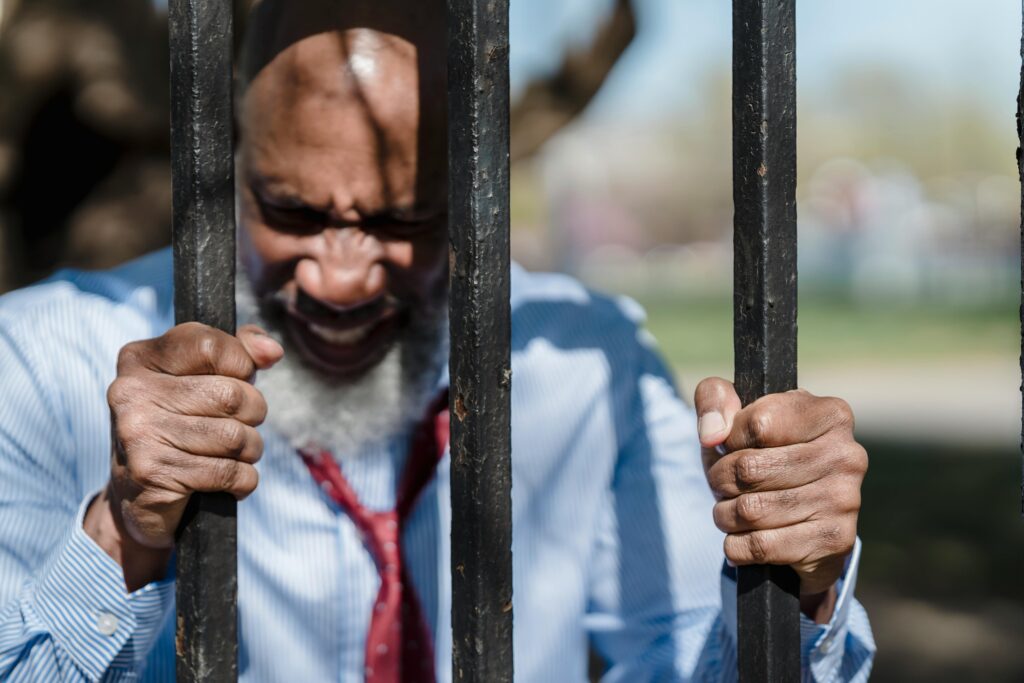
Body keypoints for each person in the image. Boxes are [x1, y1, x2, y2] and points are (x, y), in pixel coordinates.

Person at [0, 1, 874, 680]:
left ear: (478, 192)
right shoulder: (44, 356)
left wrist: (796, 585)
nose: (339, 278)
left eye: (404, 220)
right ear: (233, 161)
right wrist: (121, 537)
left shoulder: (584, 360)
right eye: (290, 211)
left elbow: (692, 649)